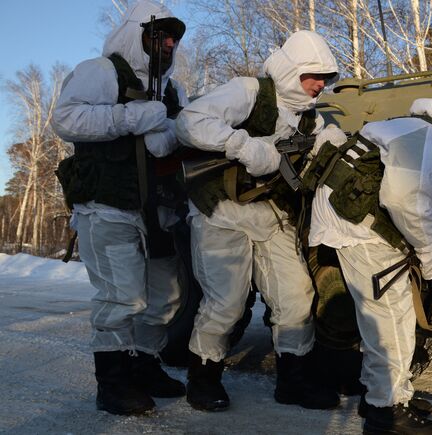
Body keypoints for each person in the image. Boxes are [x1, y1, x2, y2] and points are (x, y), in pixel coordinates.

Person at [305, 92, 432, 434]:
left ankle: (385, 395)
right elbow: (403, 200)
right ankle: (388, 414)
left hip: (352, 218)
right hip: (359, 227)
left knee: (387, 318)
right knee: (390, 318)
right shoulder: (431, 139)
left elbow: (416, 194)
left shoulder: (422, 131)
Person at [174, 30, 341, 412]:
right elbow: (190, 121)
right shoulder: (250, 91)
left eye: (325, 78)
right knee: (226, 303)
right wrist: (244, 147)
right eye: (312, 75)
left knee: (297, 295)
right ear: (291, 70)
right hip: (221, 210)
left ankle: (293, 381)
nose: (319, 84)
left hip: (270, 213)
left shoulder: (309, 118)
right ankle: (203, 378)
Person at [52, 0, 188, 416]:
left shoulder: (172, 88)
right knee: (121, 297)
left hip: (158, 207)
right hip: (107, 204)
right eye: (159, 35)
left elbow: (176, 131)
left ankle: (143, 365)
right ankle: (111, 383)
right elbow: (66, 119)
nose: (167, 44)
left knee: (167, 296)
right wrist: (129, 116)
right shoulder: (101, 71)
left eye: (172, 38)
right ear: (137, 35)